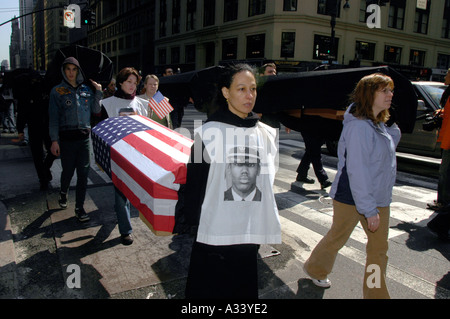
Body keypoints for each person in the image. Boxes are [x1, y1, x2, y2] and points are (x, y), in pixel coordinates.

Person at [174, 64, 281, 299]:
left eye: (253, 88)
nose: (249, 95)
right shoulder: (207, 133)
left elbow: (267, 183)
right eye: (241, 88)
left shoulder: (267, 134)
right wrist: (191, 220)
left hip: (250, 233)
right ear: (225, 92)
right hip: (215, 234)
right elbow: (195, 185)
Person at [303, 73, 400, 299]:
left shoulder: (378, 124)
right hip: (352, 195)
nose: (390, 95)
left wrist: (392, 127)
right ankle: (315, 268)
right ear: (369, 94)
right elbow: (358, 171)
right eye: (384, 90)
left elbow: (385, 154)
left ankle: (375, 294)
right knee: (338, 236)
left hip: (378, 195)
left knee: (378, 250)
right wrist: (368, 208)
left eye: (391, 90)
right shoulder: (358, 127)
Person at [48, 57, 102, 222]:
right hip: (67, 140)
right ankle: (63, 192)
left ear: (78, 71)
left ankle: (79, 208)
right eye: (68, 69)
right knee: (68, 171)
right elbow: (53, 118)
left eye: (74, 69)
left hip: (84, 139)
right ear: (63, 71)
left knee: (83, 174)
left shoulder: (86, 89)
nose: (71, 73)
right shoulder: (57, 91)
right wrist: (54, 140)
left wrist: (98, 92)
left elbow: (96, 110)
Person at [99, 67, 148, 245]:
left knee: (130, 190)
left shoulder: (141, 104)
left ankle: (121, 215)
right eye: (129, 82)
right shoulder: (107, 103)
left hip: (136, 153)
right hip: (117, 154)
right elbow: (101, 130)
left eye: (135, 83)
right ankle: (126, 230)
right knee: (121, 192)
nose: (132, 86)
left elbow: (145, 131)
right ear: (120, 82)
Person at [15, 71, 56, 190]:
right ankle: (43, 178)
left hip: (46, 126)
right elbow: (22, 112)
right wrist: (20, 129)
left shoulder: (46, 89)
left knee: (52, 151)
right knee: (37, 154)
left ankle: (45, 170)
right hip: (34, 127)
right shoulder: (26, 92)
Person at [426, 68, 450, 240]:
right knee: (445, 173)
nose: (445, 76)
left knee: (446, 174)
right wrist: (441, 115)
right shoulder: (448, 92)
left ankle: (443, 211)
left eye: (447, 73)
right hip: (447, 139)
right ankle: (443, 208)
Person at [295, 116, 332, 189]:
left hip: (313, 124)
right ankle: (323, 179)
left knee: (311, 150)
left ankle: (302, 174)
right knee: (315, 151)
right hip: (310, 125)